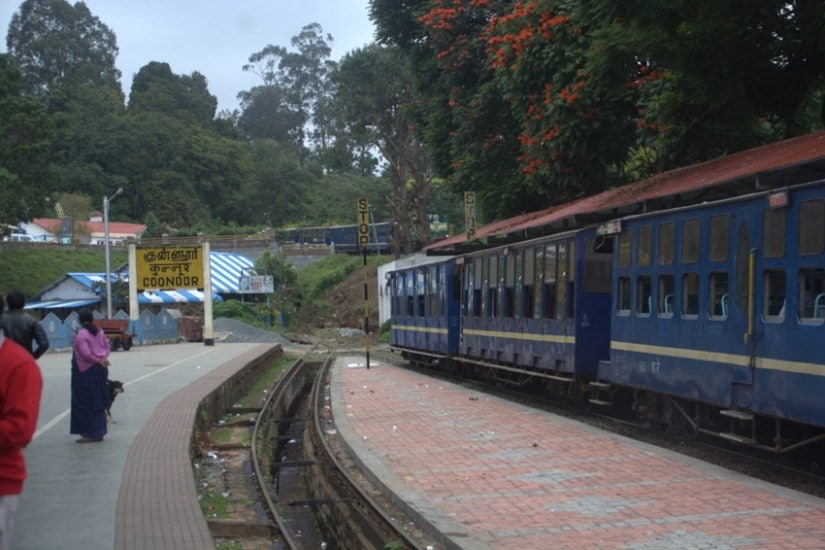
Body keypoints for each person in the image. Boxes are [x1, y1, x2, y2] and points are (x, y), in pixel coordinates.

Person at [0, 295, 43, 549]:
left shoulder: (17, 365)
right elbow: (44, 343)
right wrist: (34, 356)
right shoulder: (30, 323)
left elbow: (20, 430)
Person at [70, 308, 110, 443]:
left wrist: (98, 360)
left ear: (80, 320)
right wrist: (103, 359)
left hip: (86, 371)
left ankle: (90, 433)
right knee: (99, 399)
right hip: (100, 369)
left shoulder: (81, 335)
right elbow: (107, 347)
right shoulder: (100, 331)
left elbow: (86, 354)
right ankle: (99, 431)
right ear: (92, 319)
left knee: (86, 401)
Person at [0, 291, 49, 359]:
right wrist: (32, 357)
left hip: (4, 360)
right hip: (24, 359)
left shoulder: (1, 319)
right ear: (23, 304)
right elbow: (44, 344)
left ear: (7, 303)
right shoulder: (32, 322)